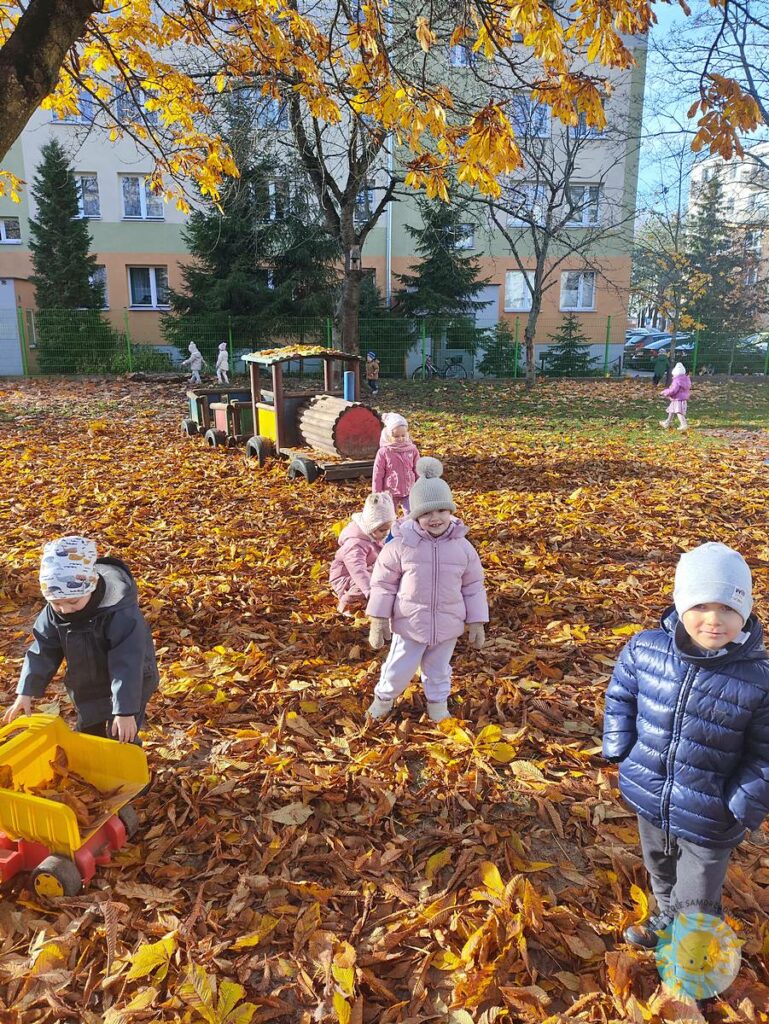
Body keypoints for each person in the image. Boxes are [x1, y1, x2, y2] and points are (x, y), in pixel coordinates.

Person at [602, 542, 769, 949]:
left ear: (745, 610)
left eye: (728, 608)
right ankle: (665, 914)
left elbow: (765, 752)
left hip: (711, 810)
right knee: (659, 865)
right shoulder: (645, 649)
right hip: (651, 792)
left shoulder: (758, 679)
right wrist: (620, 746)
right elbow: (621, 695)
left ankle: (692, 951)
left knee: (698, 890)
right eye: (701, 606)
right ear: (680, 605)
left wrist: (741, 802)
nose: (714, 620)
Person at [365, 458, 488, 723]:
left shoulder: (463, 547)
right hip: (411, 624)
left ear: (450, 511)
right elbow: (383, 584)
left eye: (442, 511)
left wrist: (477, 621)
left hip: (447, 624)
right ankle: (383, 700)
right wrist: (378, 619)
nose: (435, 518)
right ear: (416, 515)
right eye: (427, 513)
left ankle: (437, 705)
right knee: (398, 668)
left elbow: (473, 586)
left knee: (439, 670)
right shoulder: (400, 546)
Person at [3, 536, 159, 743]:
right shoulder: (55, 612)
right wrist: (26, 691)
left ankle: (127, 758)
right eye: (57, 603)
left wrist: (125, 711)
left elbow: (127, 663)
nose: (65, 609)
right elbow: (43, 650)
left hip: (132, 680)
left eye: (73, 601)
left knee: (120, 734)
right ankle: (90, 759)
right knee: (88, 729)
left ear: (91, 585)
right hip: (86, 679)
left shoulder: (119, 613)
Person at [329, 493, 395, 616]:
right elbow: (357, 570)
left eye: (388, 529)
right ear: (371, 526)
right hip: (346, 576)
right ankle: (346, 605)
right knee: (363, 586)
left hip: (367, 569)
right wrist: (369, 590)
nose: (386, 533)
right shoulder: (355, 544)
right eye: (382, 530)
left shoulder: (376, 536)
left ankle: (368, 599)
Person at [372, 412, 420, 515]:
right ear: (389, 436)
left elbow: (417, 469)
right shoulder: (384, 451)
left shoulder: (412, 449)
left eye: (403, 435)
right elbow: (378, 473)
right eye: (396, 436)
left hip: (409, 489)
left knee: (411, 514)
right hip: (390, 491)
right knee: (390, 514)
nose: (400, 438)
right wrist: (376, 493)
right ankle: (392, 524)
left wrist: (421, 485)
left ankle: (408, 525)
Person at [660, 361, 691, 431]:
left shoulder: (677, 380)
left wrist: (665, 392)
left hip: (677, 399)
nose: (673, 376)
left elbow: (673, 390)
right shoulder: (686, 380)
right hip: (681, 399)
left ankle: (684, 424)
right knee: (671, 410)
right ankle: (667, 422)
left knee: (678, 412)